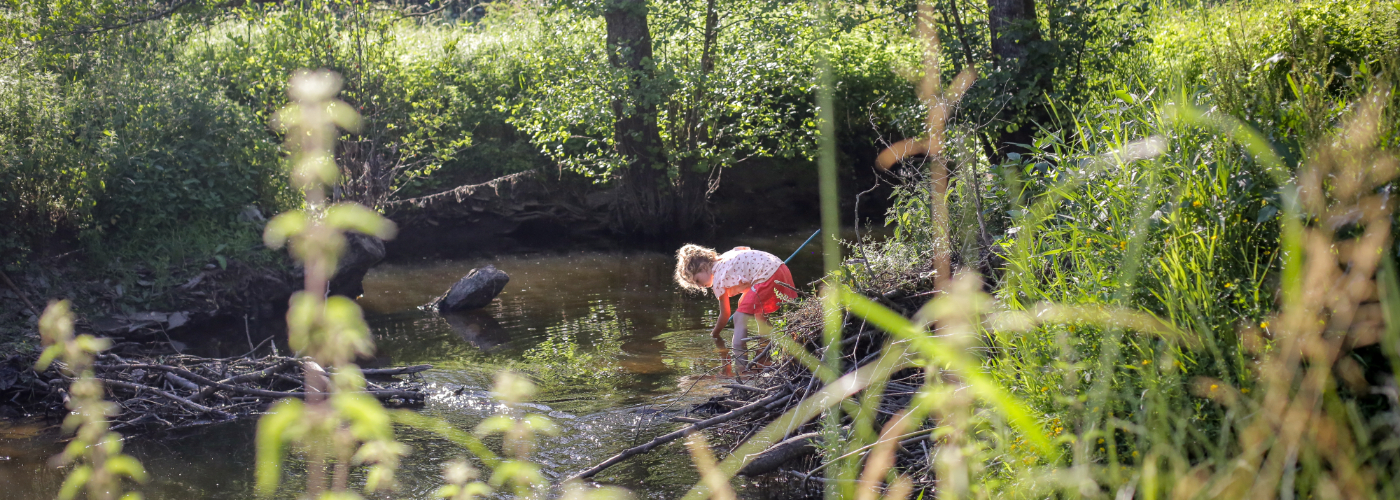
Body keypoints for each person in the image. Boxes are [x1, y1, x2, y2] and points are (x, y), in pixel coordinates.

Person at [674, 244, 797, 371]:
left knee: (738, 317)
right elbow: (745, 258)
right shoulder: (726, 258)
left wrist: (715, 334)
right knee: (757, 313)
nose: (700, 286)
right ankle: (763, 358)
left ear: (703, 267)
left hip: (767, 275)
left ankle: (741, 370)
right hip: (779, 268)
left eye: (697, 281)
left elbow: (725, 314)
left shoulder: (717, 276)